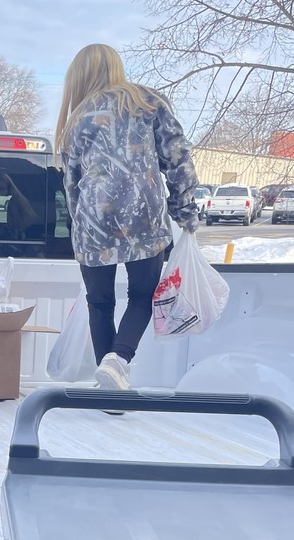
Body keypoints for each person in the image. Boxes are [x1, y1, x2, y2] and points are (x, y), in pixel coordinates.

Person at [55, 43, 199, 389]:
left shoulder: (75, 120)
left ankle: (109, 386)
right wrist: (185, 212)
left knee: (99, 302)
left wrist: (81, 231)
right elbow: (178, 161)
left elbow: (71, 185)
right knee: (142, 295)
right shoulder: (146, 102)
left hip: (92, 223)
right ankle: (118, 360)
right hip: (143, 218)